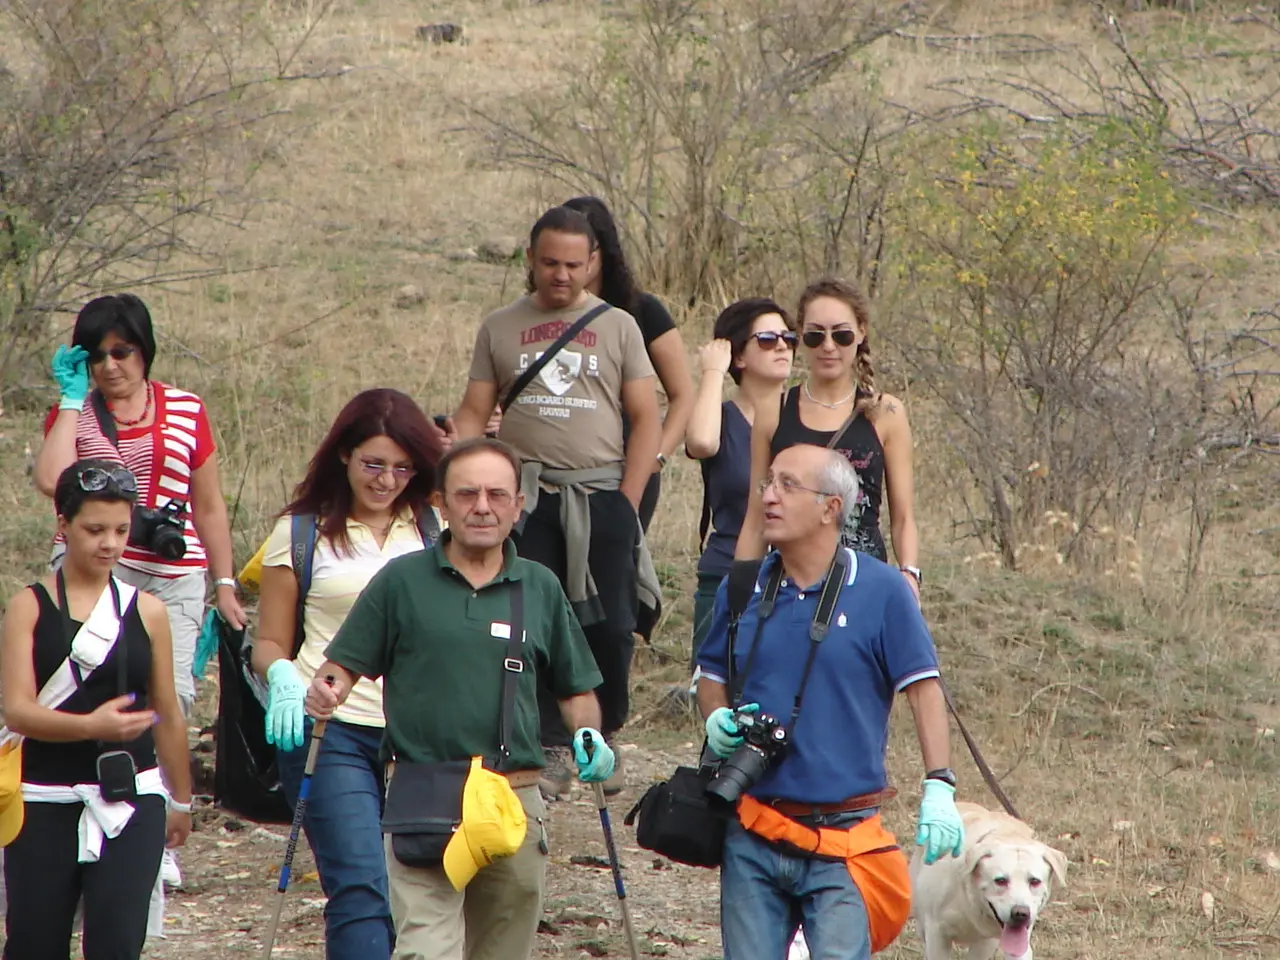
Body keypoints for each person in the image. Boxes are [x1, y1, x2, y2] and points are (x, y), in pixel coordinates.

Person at [302, 438, 614, 960]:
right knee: (424, 950)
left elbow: (576, 690)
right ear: (441, 504)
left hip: (514, 798)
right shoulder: (400, 582)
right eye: (466, 494)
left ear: (518, 505)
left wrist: (589, 735)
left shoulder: (539, 586)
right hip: (422, 795)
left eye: (497, 494)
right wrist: (322, 689)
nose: (482, 507)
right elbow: (341, 669)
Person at [696, 444, 964, 960]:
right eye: (768, 483)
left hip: (845, 840)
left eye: (787, 485)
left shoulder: (882, 590)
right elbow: (711, 674)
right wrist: (716, 719)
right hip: (753, 828)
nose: (769, 497)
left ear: (831, 508)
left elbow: (924, 687)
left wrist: (939, 785)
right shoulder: (745, 585)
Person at [452, 205, 661, 799]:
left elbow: (646, 417)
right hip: (528, 496)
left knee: (612, 623)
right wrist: (468, 475)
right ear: (531, 259)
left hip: (600, 493)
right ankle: (539, 742)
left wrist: (628, 498)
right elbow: (474, 410)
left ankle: (601, 735)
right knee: (522, 618)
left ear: (592, 262)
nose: (561, 276)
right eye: (550, 263)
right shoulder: (500, 325)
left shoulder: (619, 325)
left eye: (573, 264)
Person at [249, 388, 445, 960]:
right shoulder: (302, 533)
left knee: (422, 890)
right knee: (361, 885)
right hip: (330, 729)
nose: (386, 480)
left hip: (421, 735)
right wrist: (282, 679)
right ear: (344, 456)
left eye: (402, 467)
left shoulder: (436, 527)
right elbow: (270, 642)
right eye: (373, 464)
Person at [1, 460, 193, 959]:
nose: (109, 543)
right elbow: (18, 710)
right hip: (41, 798)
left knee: (117, 943)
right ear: (63, 525)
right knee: (33, 941)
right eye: (94, 530)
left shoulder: (147, 610)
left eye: (121, 530)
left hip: (133, 796)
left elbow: (167, 712)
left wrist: (182, 800)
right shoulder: (29, 606)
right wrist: (90, 726)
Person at [33, 294, 246, 716]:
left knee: (171, 697)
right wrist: (72, 402)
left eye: (121, 352)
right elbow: (51, 481)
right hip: (94, 565)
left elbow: (207, 505)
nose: (110, 366)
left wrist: (224, 585)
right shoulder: (72, 414)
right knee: (84, 685)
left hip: (172, 572)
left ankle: (161, 782)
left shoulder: (187, 409)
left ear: (143, 350)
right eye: (97, 356)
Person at [738, 278, 922, 602]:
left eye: (841, 334)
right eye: (814, 335)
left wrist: (909, 575)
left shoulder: (886, 412)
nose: (828, 346)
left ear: (861, 332)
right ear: (800, 337)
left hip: (863, 582)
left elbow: (903, 517)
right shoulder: (774, 410)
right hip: (789, 584)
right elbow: (756, 517)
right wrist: (739, 594)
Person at [562, 195, 694, 533]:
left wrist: (656, 458)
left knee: (615, 572)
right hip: (552, 470)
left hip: (627, 468)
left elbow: (682, 395)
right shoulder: (536, 314)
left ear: (602, 252)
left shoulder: (641, 311)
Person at [683, 298, 797, 688]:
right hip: (726, 573)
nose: (783, 346)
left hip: (794, 578)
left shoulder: (803, 416)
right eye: (767, 339)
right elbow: (699, 441)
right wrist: (714, 371)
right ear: (739, 355)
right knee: (718, 701)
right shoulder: (721, 416)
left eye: (789, 338)